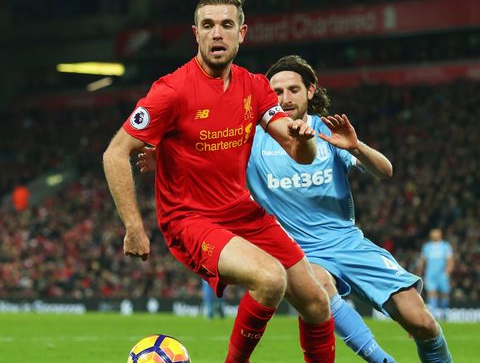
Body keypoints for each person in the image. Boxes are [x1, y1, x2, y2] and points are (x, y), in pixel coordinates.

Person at [140, 55, 452, 363]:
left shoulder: (327, 132)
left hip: (347, 242)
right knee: (319, 285)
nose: (285, 99)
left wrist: (356, 146)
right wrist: (168, 161)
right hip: (295, 251)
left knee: (421, 321)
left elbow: (385, 171)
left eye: (293, 90)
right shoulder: (251, 137)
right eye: (276, 92)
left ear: (310, 91)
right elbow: (207, 160)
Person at [103, 0, 335, 363]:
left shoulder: (255, 86)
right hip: (190, 218)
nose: (217, 34)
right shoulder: (171, 91)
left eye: (227, 25)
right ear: (195, 34)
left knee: (316, 302)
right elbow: (115, 153)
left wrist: (304, 139)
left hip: (242, 212)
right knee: (270, 278)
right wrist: (133, 225)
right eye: (208, 25)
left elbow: (298, 151)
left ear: (242, 33)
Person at [418, 229, 454, 320]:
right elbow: (422, 260)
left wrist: (447, 272)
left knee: (445, 294)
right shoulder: (427, 247)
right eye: (432, 233)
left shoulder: (445, 246)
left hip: (442, 274)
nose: (434, 235)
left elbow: (450, 260)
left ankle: (444, 313)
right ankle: (433, 316)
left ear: (440, 235)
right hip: (430, 275)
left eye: (436, 233)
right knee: (432, 293)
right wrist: (419, 271)